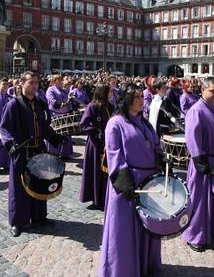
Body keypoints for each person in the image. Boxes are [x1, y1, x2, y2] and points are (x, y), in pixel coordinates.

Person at [99, 85, 164, 276]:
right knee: (124, 230)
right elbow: (114, 153)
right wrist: (125, 183)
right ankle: (122, 269)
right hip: (128, 183)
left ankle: (145, 265)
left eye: (141, 97)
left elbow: (155, 145)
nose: (140, 100)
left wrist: (161, 158)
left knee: (147, 227)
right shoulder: (115, 123)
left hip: (148, 183)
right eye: (135, 97)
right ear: (126, 100)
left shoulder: (146, 124)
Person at [0, 72, 65, 237]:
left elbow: (43, 126)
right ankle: (17, 222)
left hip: (39, 151)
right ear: (21, 83)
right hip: (22, 152)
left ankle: (39, 218)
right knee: (19, 189)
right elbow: (4, 128)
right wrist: (10, 144)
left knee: (40, 185)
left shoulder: (39, 104)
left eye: (36, 82)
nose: (34, 85)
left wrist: (55, 138)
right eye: (31, 82)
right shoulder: (13, 104)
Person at [181, 77, 214, 252]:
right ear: (202, 91)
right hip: (203, 162)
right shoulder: (196, 111)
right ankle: (195, 235)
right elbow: (193, 137)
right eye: (212, 91)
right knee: (199, 200)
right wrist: (199, 160)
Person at [78, 83, 114, 211]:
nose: (111, 93)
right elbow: (83, 124)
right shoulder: (92, 107)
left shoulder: (111, 106)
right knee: (95, 171)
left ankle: (105, 196)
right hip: (96, 144)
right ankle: (95, 199)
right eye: (109, 91)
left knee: (107, 173)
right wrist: (95, 131)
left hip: (108, 144)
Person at [46, 75, 75, 159]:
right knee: (56, 135)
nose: (62, 81)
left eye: (62, 79)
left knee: (66, 136)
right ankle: (53, 153)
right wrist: (63, 103)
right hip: (56, 116)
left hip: (66, 115)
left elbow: (69, 101)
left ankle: (65, 154)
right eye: (60, 80)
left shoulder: (63, 90)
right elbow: (53, 102)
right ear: (55, 81)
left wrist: (70, 101)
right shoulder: (50, 90)